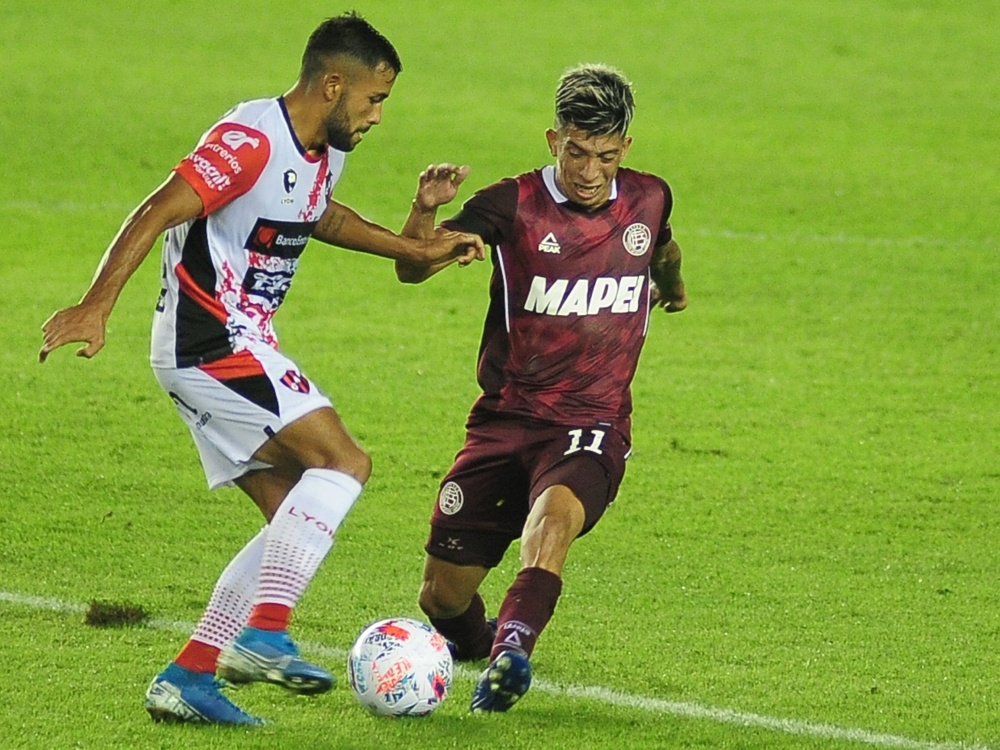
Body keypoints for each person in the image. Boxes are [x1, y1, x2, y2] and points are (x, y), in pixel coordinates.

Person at [39, 13, 483, 726]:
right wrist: (96, 305)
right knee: (344, 463)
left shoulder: (324, 147)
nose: (377, 115)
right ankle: (265, 634)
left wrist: (414, 241)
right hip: (209, 340)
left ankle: (189, 675)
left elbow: (320, 215)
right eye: (373, 99)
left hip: (231, 343)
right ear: (332, 84)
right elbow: (156, 209)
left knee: (293, 518)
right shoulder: (250, 140)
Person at [395, 63, 687, 712]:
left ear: (625, 148)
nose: (590, 172)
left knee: (552, 520)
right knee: (441, 596)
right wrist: (426, 212)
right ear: (554, 140)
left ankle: (513, 653)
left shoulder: (650, 198)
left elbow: (664, 251)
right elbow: (412, 270)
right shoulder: (513, 204)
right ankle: (483, 647)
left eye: (606, 156)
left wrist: (673, 290)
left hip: (591, 420)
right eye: (577, 153)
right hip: (504, 419)